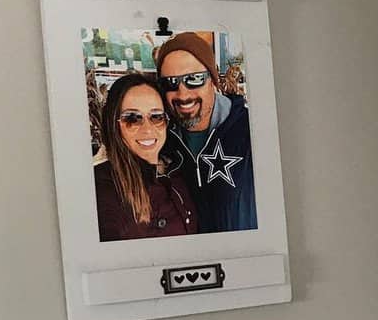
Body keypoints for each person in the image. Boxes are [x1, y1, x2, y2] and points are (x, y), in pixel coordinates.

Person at [156, 33, 257, 233]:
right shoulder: (160, 141)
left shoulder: (251, 131)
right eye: (171, 83)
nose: (183, 95)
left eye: (194, 79)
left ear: (212, 80)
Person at [94, 72, 198, 241]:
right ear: (114, 123)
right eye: (132, 119)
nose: (147, 129)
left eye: (156, 117)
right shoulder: (101, 187)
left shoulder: (182, 169)